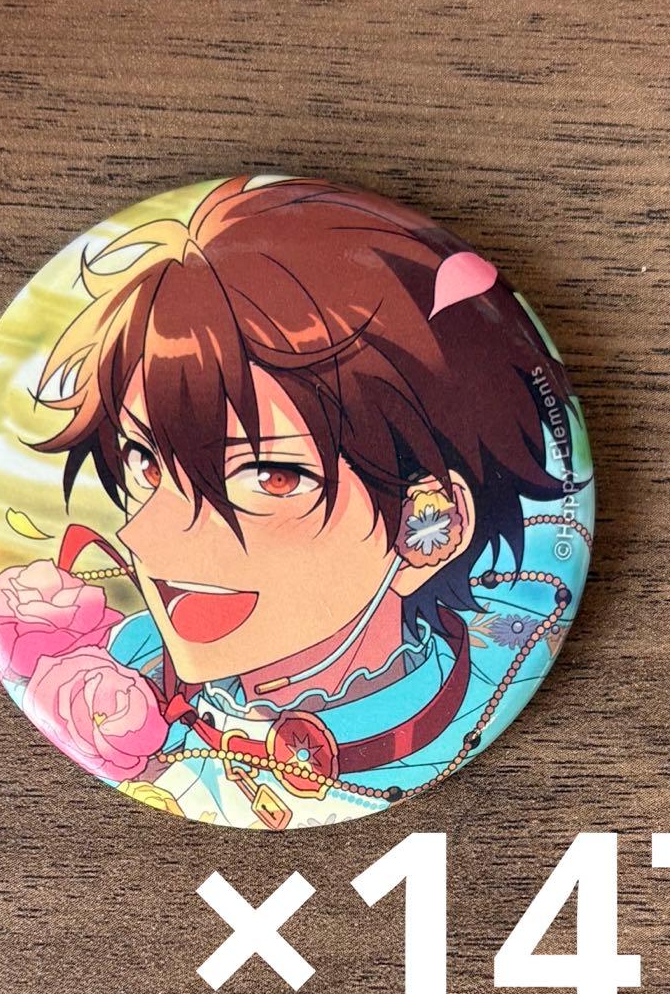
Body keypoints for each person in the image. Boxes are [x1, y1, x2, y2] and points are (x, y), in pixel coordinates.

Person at [31, 175, 581, 828]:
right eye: (146, 461)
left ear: (426, 523)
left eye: (270, 477)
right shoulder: (117, 669)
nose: (145, 536)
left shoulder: (497, 679)